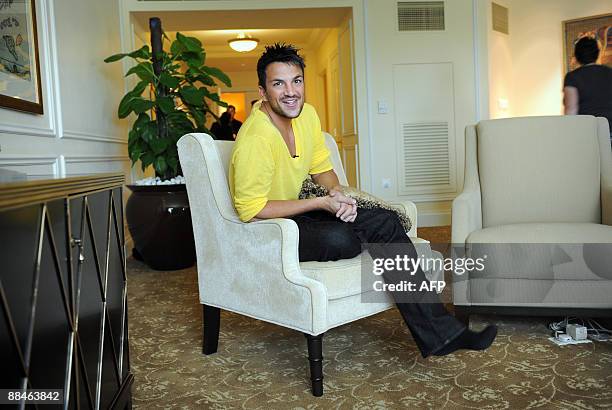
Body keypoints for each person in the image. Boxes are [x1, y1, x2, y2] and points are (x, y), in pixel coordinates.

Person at [229, 43, 497, 357]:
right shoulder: (255, 140)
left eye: (296, 81)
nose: (290, 92)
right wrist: (319, 205)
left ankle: (442, 335)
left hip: (299, 214)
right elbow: (251, 210)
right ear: (262, 92)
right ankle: (435, 329)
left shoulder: (308, 116)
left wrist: (337, 197)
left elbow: (322, 170)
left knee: (386, 222)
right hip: (270, 228)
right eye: (278, 84)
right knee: (340, 238)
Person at [563, 36, 612, 142]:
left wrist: (568, 136)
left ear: (577, 55)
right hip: (610, 130)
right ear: (597, 53)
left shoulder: (572, 77)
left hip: (588, 133)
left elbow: (571, 110)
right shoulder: (610, 72)